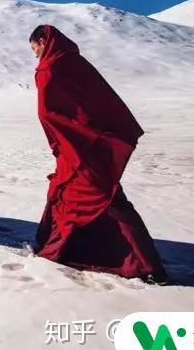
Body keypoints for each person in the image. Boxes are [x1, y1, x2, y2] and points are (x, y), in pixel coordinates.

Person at [30, 25, 167, 282]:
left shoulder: (47, 70)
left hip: (77, 148)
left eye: (34, 48)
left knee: (106, 199)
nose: (35, 54)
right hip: (97, 143)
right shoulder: (79, 64)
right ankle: (58, 246)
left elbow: (46, 113)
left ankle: (150, 267)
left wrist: (60, 142)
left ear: (42, 41)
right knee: (70, 195)